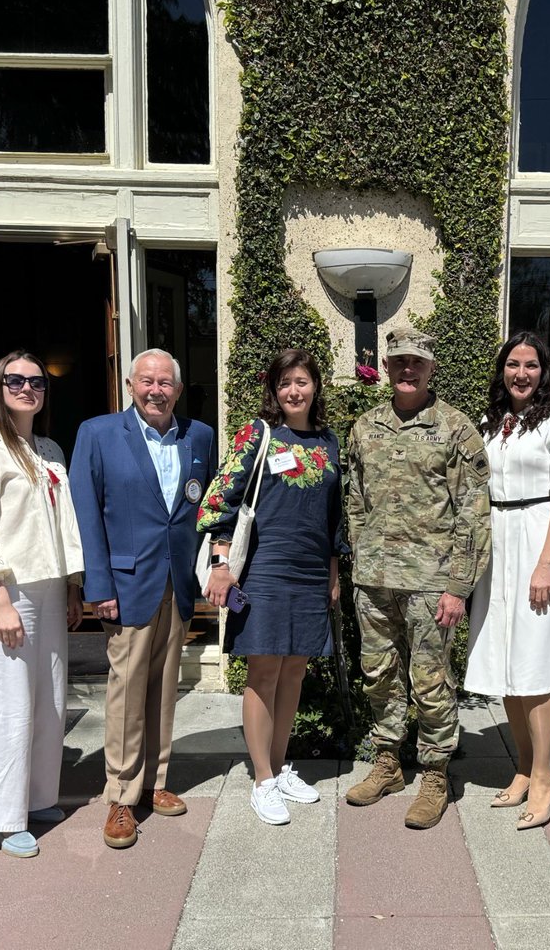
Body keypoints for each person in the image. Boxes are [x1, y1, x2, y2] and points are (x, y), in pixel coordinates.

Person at [344, 325, 491, 830]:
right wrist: (361, 559)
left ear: (431, 369)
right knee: (378, 674)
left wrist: (458, 586)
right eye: (399, 362)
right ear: (386, 368)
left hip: (432, 582)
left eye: (417, 363)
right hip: (375, 578)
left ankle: (434, 772)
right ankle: (387, 762)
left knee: (430, 680)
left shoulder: (455, 428)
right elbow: (355, 500)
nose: (408, 370)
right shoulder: (365, 427)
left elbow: (473, 512)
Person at [70, 348, 214, 849]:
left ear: (177, 389)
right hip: (126, 584)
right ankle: (121, 796)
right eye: (147, 381)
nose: (156, 390)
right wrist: (98, 587)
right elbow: (87, 516)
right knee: (127, 691)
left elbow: (206, 509)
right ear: (130, 385)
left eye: (166, 383)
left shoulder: (200, 436)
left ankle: (155, 782)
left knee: (163, 687)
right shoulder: (98, 433)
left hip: (177, 582)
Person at [197, 349, 346, 825]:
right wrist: (222, 564)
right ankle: (262, 779)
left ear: (316, 386)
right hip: (263, 569)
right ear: (274, 390)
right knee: (263, 674)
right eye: (285, 383)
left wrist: (333, 572)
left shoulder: (328, 442)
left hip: (308, 574)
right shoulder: (258, 434)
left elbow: (332, 517)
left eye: (302, 381)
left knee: (295, 672)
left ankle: (280, 769)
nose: (294, 391)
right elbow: (222, 495)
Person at [0, 350, 85, 858]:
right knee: (5, 704)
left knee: (48, 701)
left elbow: (62, 526)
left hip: (50, 588)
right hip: (5, 592)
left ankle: (36, 796)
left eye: (36, 381)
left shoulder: (49, 448)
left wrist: (73, 587)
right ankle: (0, 816)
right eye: (15, 380)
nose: (27, 387)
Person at [466, 332, 550, 830]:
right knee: (508, 665)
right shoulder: (492, 424)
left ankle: (544, 777)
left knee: (534, 666)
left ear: (544, 371)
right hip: (499, 543)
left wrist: (544, 564)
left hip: (539, 540)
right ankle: (521, 766)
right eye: (513, 364)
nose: (521, 374)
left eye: (530, 366)